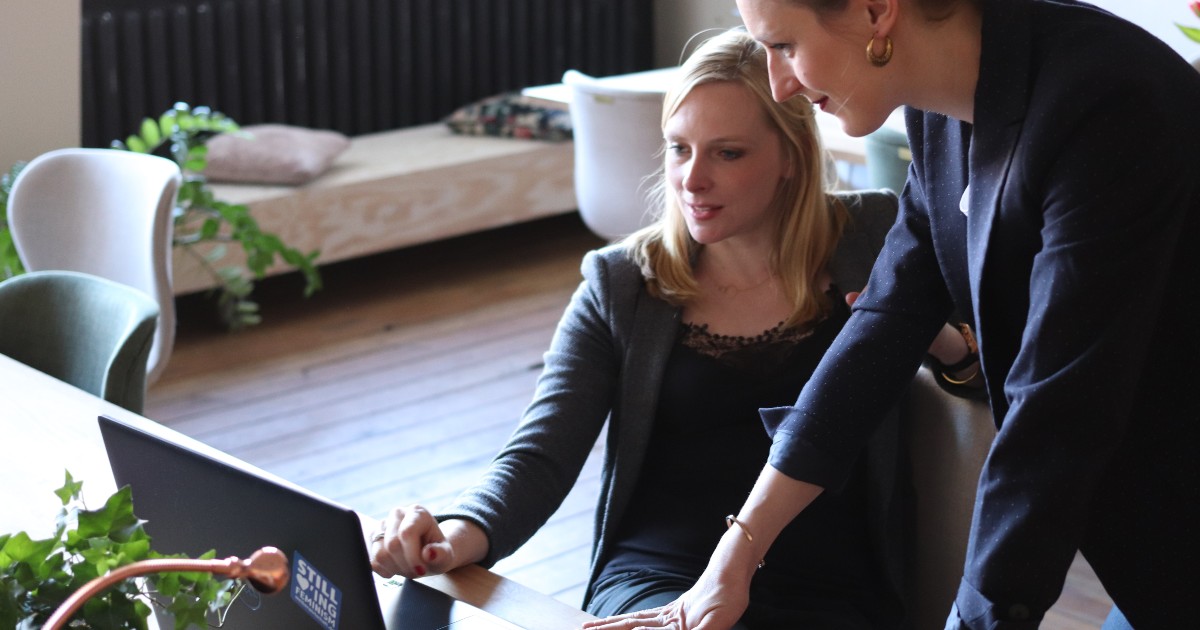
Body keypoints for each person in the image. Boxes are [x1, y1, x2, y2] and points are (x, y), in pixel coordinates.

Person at [585, 1, 1200, 629]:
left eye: (785, 46)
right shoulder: (942, 115)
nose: (780, 84)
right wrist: (734, 558)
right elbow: (883, 322)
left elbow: (1057, 416)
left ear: (877, 11)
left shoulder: (1104, 102)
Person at [369, 27, 977, 629]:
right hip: (655, 577)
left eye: (727, 152)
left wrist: (933, 338)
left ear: (790, 156)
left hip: (831, 585)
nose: (692, 178)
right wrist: (451, 536)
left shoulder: (874, 234)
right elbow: (540, 455)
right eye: (679, 148)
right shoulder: (623, 284)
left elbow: (985, 379)